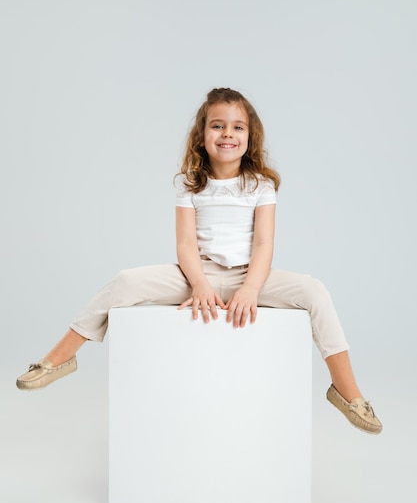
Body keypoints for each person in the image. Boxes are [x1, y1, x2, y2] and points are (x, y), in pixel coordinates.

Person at [16, 87, 382, 435]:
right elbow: (185, 244)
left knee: (315, 291)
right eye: (218, 125)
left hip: (250, 276)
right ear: (202, 136)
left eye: (238, 127)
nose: (228, 134)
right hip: (196, 274)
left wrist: (251, 288)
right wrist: (201, 284)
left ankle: (347, 392)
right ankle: (59, 357)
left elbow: (264, 244)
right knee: (125, 281)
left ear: (250, 137)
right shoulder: (190, 183)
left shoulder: (260, 185)